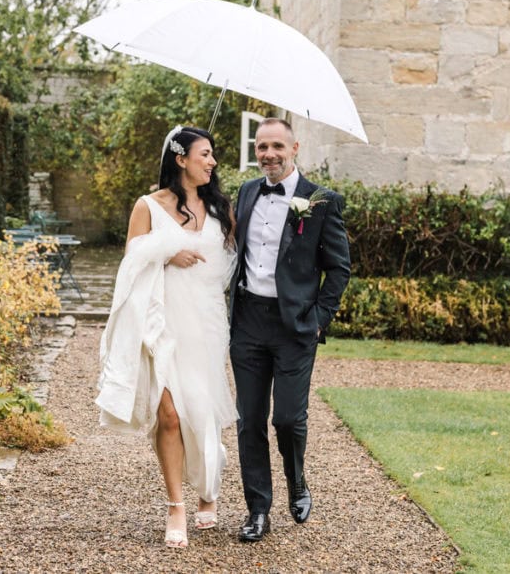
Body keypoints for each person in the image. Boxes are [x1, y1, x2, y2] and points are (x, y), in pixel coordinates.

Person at [97, 125, 237, 549]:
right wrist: (166, 252)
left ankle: (207, 491)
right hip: (159, 320)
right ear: (181, 159)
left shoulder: (221, 209)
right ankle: (176, 504)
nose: (212, 162)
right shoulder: (148, 206)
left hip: (206, 320)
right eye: (205, 154)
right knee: (170, 413)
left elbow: (229, 265)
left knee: (204, 408)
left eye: (212, 155)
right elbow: (131, 263)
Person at [228, 117, 351, 543]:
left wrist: (318, 320)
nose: (269, 155)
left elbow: (339, 268)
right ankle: (257, 510)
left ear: (294, 148)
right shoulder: (246, 192)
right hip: (246, 323)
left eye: (277, 146)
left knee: (287, 419)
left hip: (295, 327)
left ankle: (296, 480)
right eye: (262, 147)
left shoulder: (320, 200)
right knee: (249, 421)